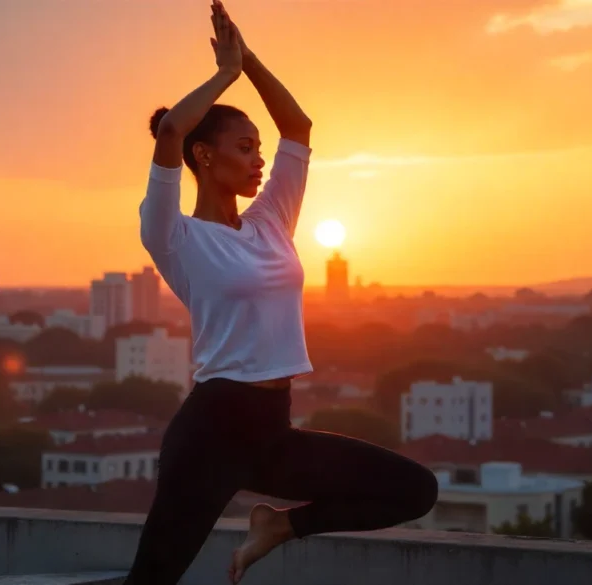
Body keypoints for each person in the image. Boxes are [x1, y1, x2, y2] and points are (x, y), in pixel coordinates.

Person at [127, 2, 439, 583]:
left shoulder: (272, 220)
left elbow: (298, 128)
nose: (259, 158)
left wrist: (248, 62)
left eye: (258, 148)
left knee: (414, 490)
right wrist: (222, 75)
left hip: (272, 427)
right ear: (203, 155)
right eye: (244, 147)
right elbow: (171, 128)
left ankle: (280, 527)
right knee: (151, 580)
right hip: (211, 432)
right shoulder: (173, 233)